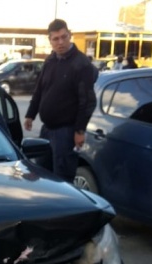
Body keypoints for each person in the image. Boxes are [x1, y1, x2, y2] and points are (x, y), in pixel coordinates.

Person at [24, 19, 97, 182]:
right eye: (55, 39)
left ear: (70, 35)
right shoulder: (50, 60)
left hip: (66, 132)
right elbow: (40, 89)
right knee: (42, 175)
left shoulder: (81, 64)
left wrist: (79, 131)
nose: (60, 42)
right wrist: (30, 113)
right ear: (49, 40)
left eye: (64, 37)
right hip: (47, 129)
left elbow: (87, 101)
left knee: (62, 180)